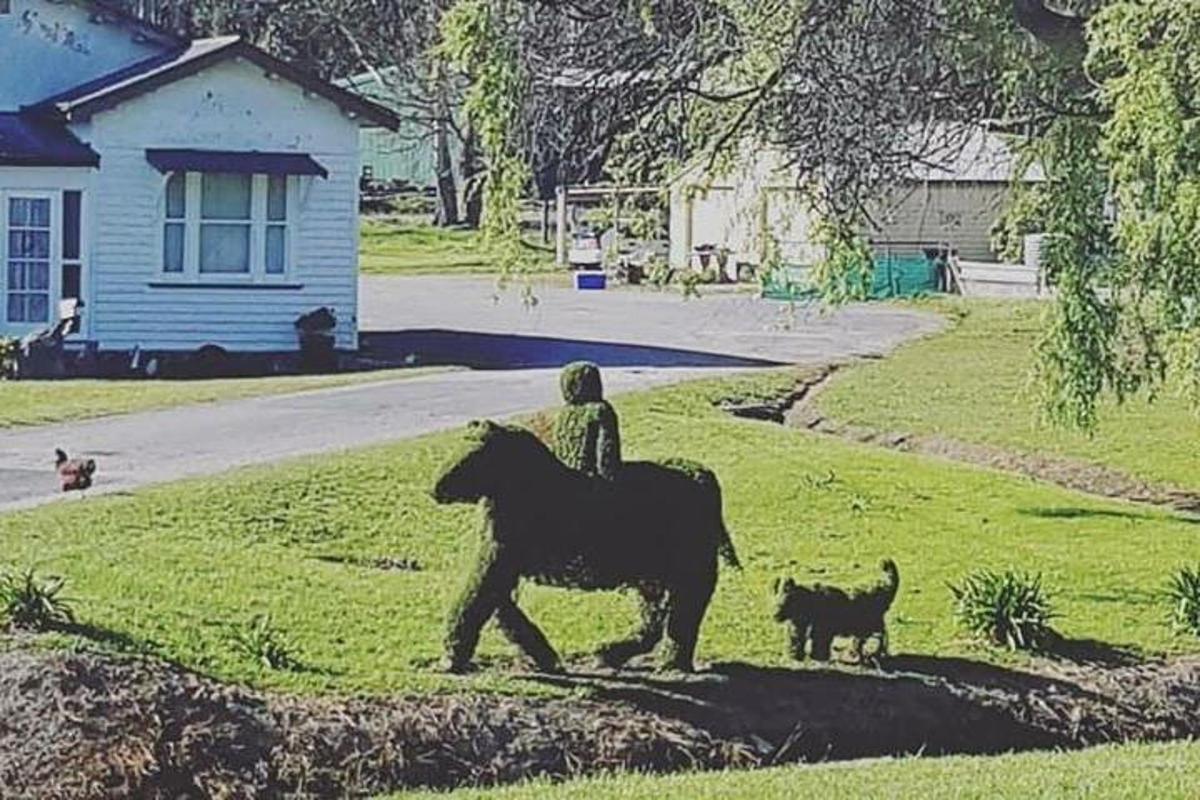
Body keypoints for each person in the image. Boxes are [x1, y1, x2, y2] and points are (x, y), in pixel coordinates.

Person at [552, 361, 621, 480]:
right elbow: (606, 449)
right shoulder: (600, 410)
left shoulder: (563, 413)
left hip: (564, 477)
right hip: (589, 477)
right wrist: (608, 479)